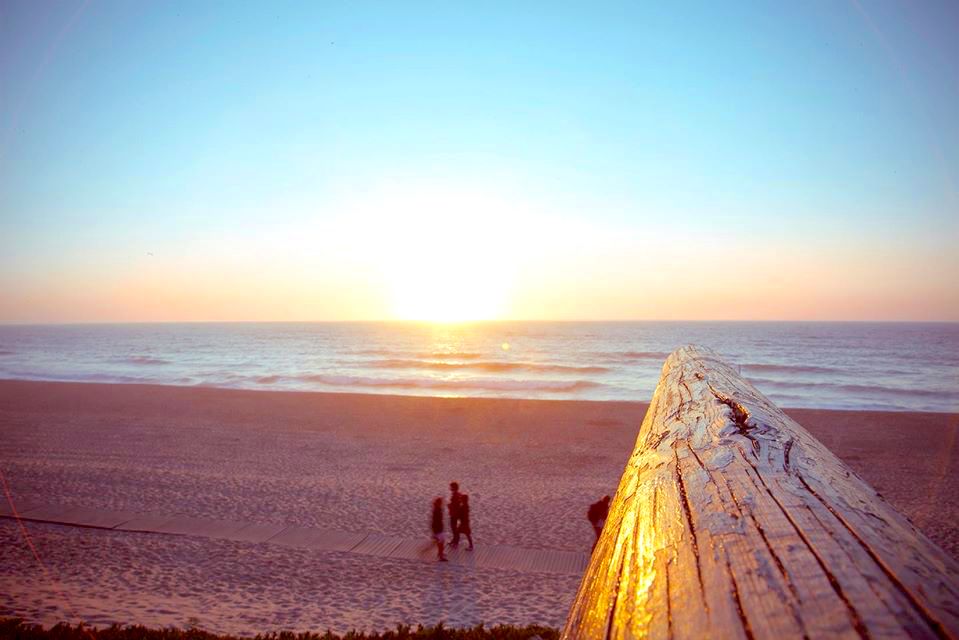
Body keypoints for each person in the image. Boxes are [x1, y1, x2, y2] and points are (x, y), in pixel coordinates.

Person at [431, 497, 448, 561]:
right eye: (441, 502)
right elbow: (436, 520)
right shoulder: (437, 510)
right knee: (441, 542)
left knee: (441, 542)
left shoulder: (437, 509)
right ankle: (441, 556)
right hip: (438, 528)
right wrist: (435, 530)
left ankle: (440, 553)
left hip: (439, 528)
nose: (442, 503)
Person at [448, 481, 464, 547]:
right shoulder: (458, 494)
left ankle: (456, 542)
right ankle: (454, 540)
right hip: (456, 513)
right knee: (454, 527)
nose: (450, 488)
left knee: (454, 528)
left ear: (453, 487)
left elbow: (455, 504)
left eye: (451, 487)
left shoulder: (455, 495)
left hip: (454, 513)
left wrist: (450, 506)